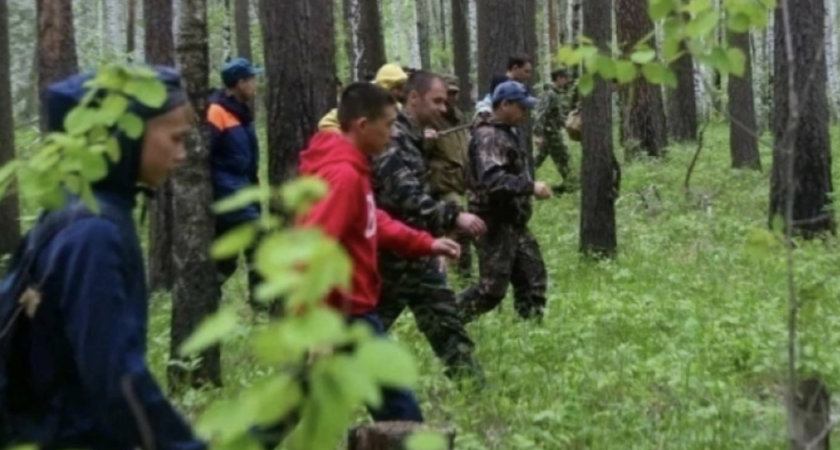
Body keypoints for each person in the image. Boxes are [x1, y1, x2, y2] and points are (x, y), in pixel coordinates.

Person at [249, 83, 463, 448]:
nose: (394, 133)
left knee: (287, 408)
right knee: (401, 410)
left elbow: (372, 220)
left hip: (348, 313)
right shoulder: (343, 176)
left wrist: (425, 243)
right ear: (362, 125)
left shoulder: (352, 168)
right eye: (389, 124)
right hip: (340, 317)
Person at [0, 67, 204, 450]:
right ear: (128, 135)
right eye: (176, 138)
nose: (182, 154)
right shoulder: (94, 233)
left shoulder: (81, 211)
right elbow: (117, 379)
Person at [371, 71, 486, 382]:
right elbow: (406, 196)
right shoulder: (393, 140)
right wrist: (453, 216)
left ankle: (476, 391)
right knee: (363, 333)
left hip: (418, 255)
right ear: (413, 98)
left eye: (445, 102)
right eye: (436, 101)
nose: (442, 109)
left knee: (447, 325)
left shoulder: (414, 138)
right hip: (390, 259)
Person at [458, 81, 552, 324]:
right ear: (505, 104)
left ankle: (531, 332)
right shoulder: (488, 136)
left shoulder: (505, 132)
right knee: (491, 290)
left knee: (533, 279)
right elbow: (493, 181)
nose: (525, 113)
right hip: (494, 224)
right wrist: (530, 187)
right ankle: (446, 319)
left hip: (514, 222)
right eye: (521, 107)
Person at [207, 57, 266, 311]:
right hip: (227, 190)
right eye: (252, 79)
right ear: (240, 83)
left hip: (244, 186)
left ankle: (207, 295)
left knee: (228, 259)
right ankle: (261, 304)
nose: (255, 84)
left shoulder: (240, 111)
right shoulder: (217, 111)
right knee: (260, 237)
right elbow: (205, 155)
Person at [426, 74, 474, 281]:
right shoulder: (431, 118)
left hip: (459, 180)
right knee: (460, 227)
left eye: (455, 93)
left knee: (454, 230)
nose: (452, 97)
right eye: (448, 93)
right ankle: (463, 275)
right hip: (441, 184)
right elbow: (420, 149)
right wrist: (426, 139)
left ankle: (452, 270)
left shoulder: (459, 116)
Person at [318, 63, 409, 133]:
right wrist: (350, 144)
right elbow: (326, 123)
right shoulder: (364, 102)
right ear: (386, 86)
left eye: (403, 88)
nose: (401, 93)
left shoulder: (399, 107)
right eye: (398, 88)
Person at [534, 68, 579, 194]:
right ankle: (572, 185)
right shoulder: (550, 94)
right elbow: (540, 114)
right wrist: (538, 134)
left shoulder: (554, 93)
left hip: (552, 133)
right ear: (559, 78)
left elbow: (556, 116)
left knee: (537, 160)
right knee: (564, 158)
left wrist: (568, 124)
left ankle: (523, 179)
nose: (567, 81)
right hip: (551, 134)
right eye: (565, 78)